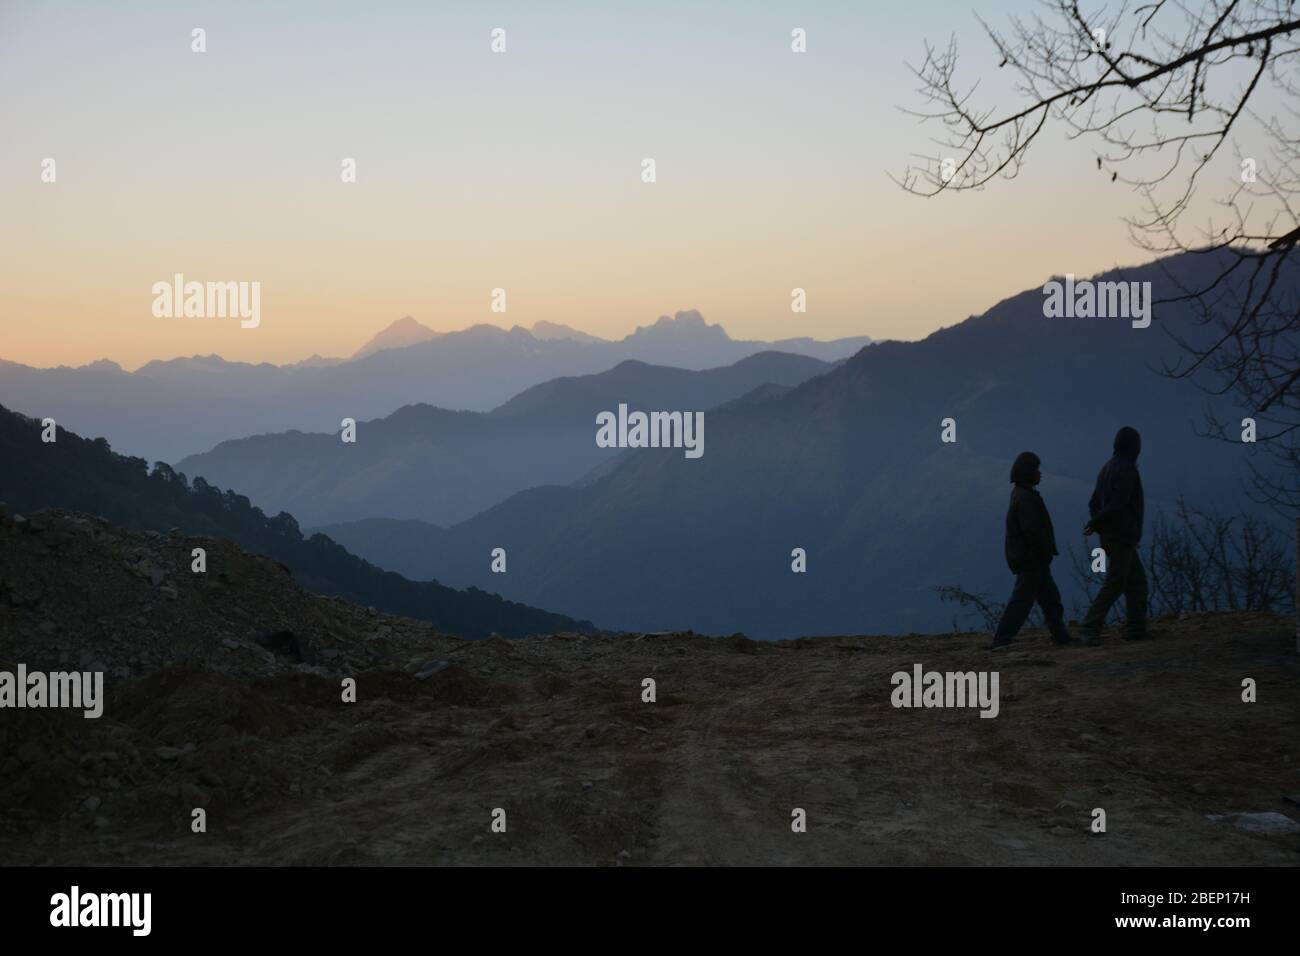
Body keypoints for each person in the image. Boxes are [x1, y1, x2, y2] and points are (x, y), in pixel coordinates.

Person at [990, 451, 1074, 650]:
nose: (1040, 474)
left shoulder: (1021, 495)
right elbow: (1033, 532)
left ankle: (1060, 635)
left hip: (1032, 559)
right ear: (1028, 473)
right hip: (1032, 560)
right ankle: (1002, 640)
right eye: (1036, 470)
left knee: (1050, 598)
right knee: (1022, 602)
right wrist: (1044, 552)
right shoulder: (1026, 498)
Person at [1079, 426, 1149, 644]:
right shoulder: (1127, 469)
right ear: (1134, 447)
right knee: (1117, 583)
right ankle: (1090, 627)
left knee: (1136, 582)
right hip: (1122, 535)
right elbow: (1119, 504)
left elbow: (1094, 502)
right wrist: (1097, 522)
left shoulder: (1106, 468)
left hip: (1111, 535)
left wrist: (1098, 523)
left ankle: (1136, 629)